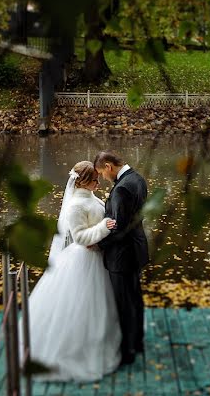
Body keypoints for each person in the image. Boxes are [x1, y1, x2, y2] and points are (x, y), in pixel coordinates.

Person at [23, 161, 122, 381]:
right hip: (84, 259)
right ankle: (75, 352)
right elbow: (79, 237)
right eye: (94, 179)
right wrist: (103, 227)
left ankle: (100, 343)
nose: (98, 182)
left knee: (98, 309)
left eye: (97, 178)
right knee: (82, 306)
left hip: (97, 257)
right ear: (83, 181)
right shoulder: (76, 205)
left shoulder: (90, 197)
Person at [94, 150, 150, 366]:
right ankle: (137, 342)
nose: (103, 178)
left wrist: (99, 243)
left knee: (124, 303)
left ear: (108, 166)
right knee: (135, 298)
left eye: (102, 173)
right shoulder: (138, 179)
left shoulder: (121, 189)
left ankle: (127, 352)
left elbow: (119, 228)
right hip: (137, 249)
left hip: (122, 255)